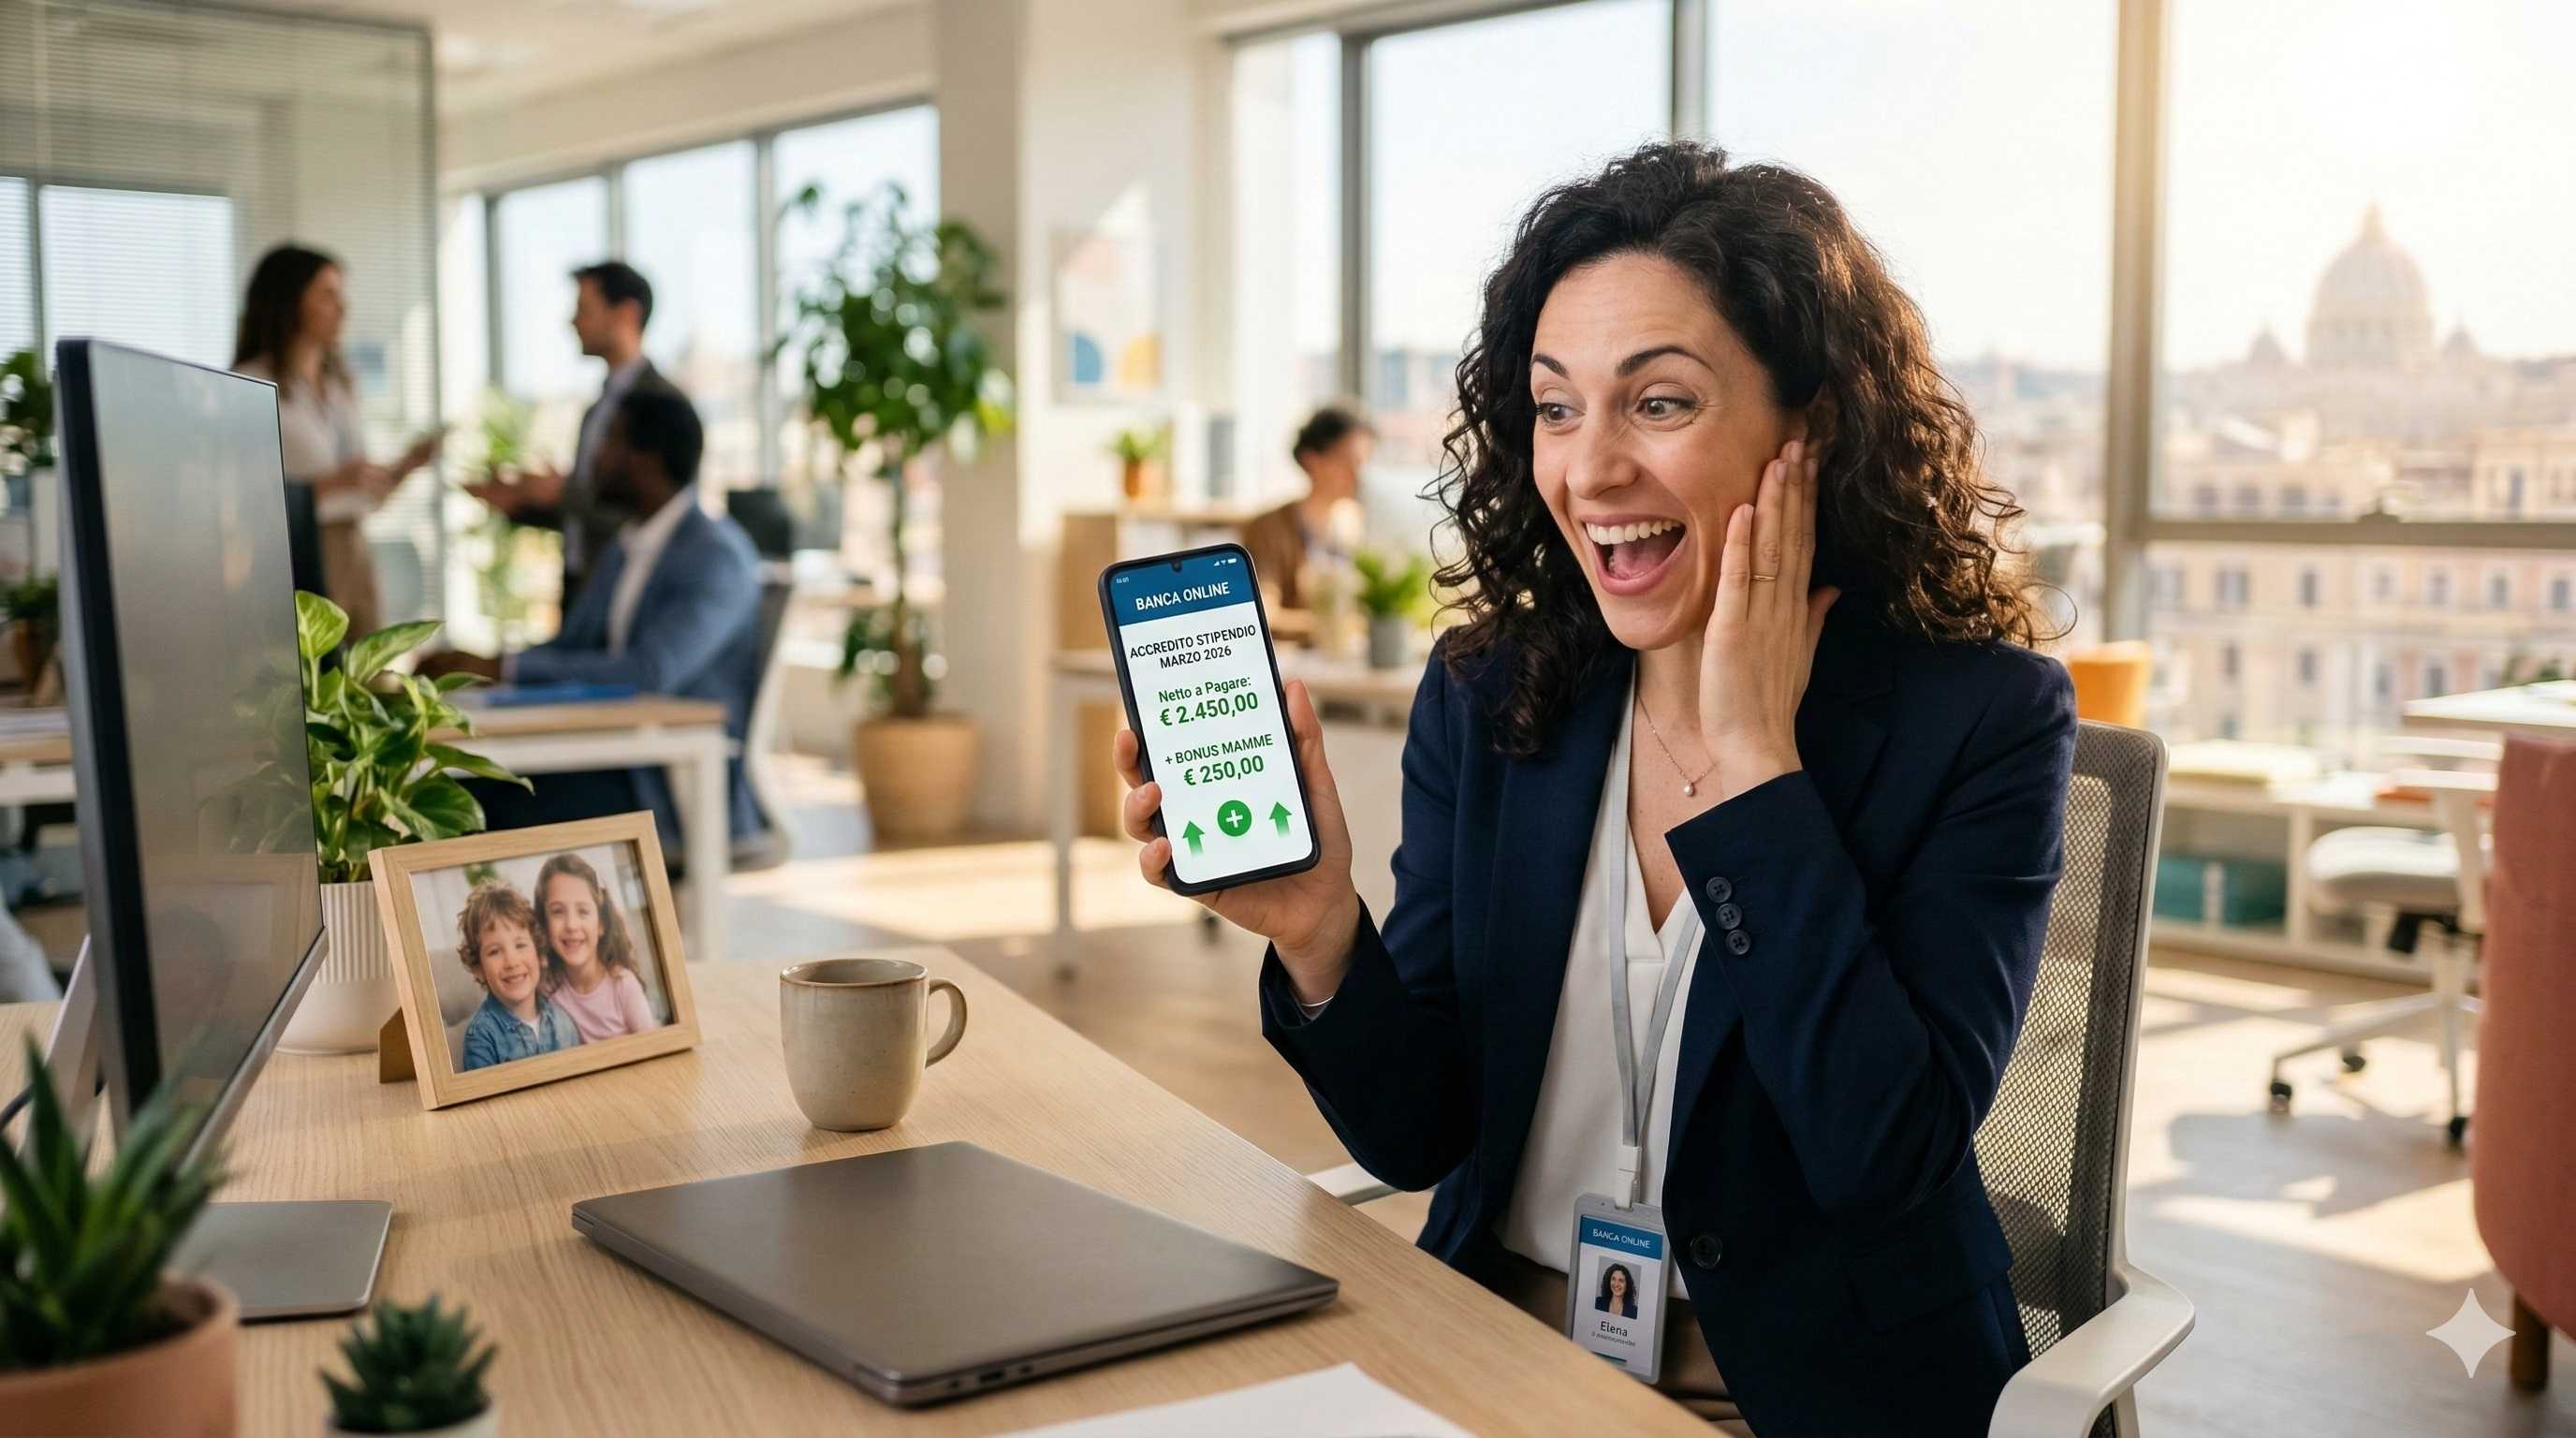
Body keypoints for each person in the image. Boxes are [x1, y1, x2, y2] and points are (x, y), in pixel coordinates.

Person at [1110, 141, 2075, 1437]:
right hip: (1490, 1364)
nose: (1592, 469)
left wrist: (1754, 775)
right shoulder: (1495, 695)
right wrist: (1317, 931)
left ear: (1814, 425)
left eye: (1659, 403)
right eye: (1556, 407)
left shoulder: (1977, 723)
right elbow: (1419, 1134)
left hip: (1799, 1401)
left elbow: (1881, 1157)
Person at [426, 386, 765, 857]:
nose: (593, 460)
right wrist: (481, 667)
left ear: (647, 458)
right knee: (448, 788)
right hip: (610, 755)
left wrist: (503, 670)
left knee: (466, 806)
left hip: (666, 785)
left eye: (608, 443)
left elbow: (649, 673)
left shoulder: (716, 557)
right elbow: (573, 647)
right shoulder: (628, 545)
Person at [232, 244, 441, 638]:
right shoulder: (250, 383)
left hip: (354, 546)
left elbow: (361, 492)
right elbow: (243, 497)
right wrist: (337, 481)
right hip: (299, 552)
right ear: (290, 302)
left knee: (368, 682)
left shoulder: (340, 386)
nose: (342, 307)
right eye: (327, 294)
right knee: (311, 678)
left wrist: (404, 468)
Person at [467, 259, 666, 607]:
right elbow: (590, 508)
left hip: (624, 593)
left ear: (626, 314)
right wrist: (521, 503)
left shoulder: (661, 406)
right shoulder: (598, 406)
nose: (572, 321)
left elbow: (650, 509)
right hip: (582, 587)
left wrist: (561, 492)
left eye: (584, 309)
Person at [1240, 405, 1372, 613]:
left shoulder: (1355, 521)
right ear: (1312, 460)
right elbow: (1265, 613)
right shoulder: (1268, 528)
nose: (1358, 474)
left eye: (1363, 462)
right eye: (1348, 462)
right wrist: (1329, 627)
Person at [457, 882, 583, 1071]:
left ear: (540, 955)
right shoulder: (482, 1037)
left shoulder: (562, 1021)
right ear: (478, 968)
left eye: (520, 945)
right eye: (495, 952)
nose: (511, 961)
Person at [535, 851, 660, 1042]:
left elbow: (654, 1049)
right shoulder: (547, 990)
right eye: (558, 911)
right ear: (545, 923)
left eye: (583, 911)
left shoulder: (623, 985)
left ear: (601, 924)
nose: (571, 925)